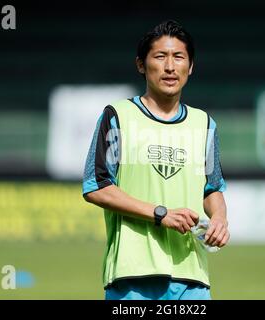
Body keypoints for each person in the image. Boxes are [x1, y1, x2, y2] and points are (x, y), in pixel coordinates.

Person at [82, 20, 229, 300]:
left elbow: (212, 188)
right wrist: (161, 214)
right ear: (141, 64)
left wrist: (220, 218)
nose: (170, 67)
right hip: (133, 277)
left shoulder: (204, 124)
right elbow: (96, 186)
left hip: (192, 278)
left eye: (179, 57)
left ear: (191, 66)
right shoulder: (118, 116)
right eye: (160, 56)